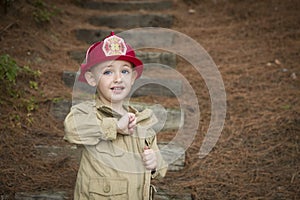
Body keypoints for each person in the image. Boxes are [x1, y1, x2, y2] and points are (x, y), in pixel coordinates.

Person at [64, 32, 168, 200]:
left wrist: (155, 164)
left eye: (125, 71)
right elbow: (72, 129)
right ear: (91, 79)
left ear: (133, 77)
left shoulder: (142, 121)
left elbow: (159, 168)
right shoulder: (87, 112)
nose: (118, 78)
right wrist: (115, 127)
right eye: (107, 72)